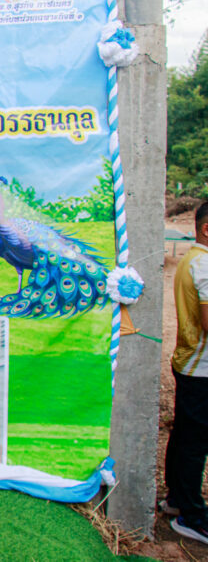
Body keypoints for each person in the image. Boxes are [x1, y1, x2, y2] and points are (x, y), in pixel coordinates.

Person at [160, 202, 208, 545]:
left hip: (189, 363)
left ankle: (177, 499)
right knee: (195, 443)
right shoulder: (204, 264)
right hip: (200, 368)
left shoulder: (192, 259)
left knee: (185, 436)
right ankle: (191, 516)